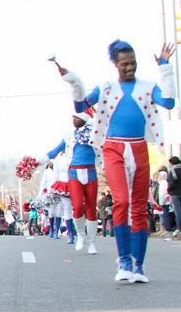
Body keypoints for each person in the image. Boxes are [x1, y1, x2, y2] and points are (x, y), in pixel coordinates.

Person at [59, 40, 176, 282]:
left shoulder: (147, 86)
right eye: (125, 64)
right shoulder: (107, 88)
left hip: (138, 147)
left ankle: (138, 266)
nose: (130, 67)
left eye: (133, 63)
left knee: (140, 206)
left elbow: (168, 102)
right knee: (122, 200)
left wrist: (165, 67)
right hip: (113, 148)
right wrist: (73, 80)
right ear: (115, 64)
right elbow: (81, 104)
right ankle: (123, 261)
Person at [32, 112, 100, 252]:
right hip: (74, 173)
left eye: (76, 117)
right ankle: (81, 235)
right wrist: (35, 163)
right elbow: (54, 151)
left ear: (84, 119)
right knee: (77, 206)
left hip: (91, 172)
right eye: (73, 117)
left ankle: (91, 242)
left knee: (91, 208)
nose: (73, 120)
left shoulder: (95, 132)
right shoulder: (69, 136)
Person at [167, 157, 181, 239]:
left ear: (172, 163)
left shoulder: (172, 171)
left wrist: (168, 190)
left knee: (178, 212)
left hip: (175, 194)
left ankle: (179, 228)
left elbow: (172, 183)